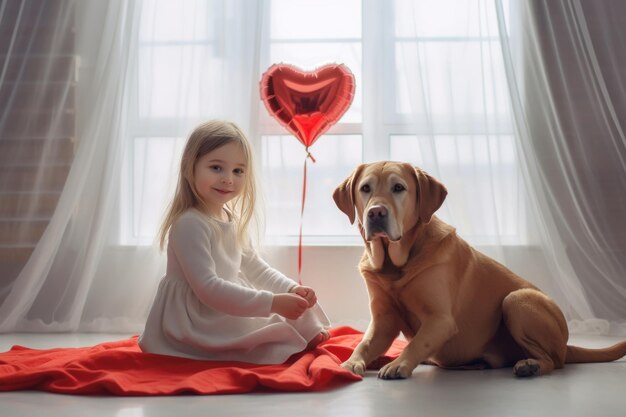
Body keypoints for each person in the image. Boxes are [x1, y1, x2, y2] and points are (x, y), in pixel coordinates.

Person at [139, 120, 330, 364]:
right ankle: (293, 339)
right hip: (197, 316)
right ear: (190, 168)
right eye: (217, 168)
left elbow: (256, 267)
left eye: (238, 171)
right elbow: (208, 288)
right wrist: (271, 303)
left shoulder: (231, 218)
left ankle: (305, 333)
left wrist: (290, 288)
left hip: (223, 301)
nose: (228, 179)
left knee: (294, 306)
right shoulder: (189, 224)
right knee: (270, 325)